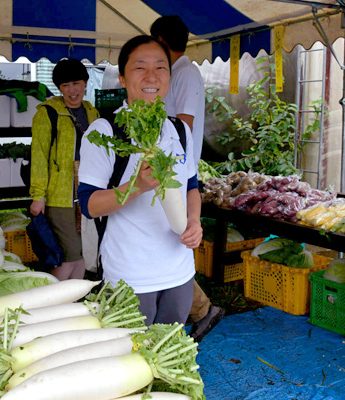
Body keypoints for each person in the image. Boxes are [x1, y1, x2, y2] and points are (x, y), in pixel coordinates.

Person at [77, 35, 203, 326]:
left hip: (179, 273)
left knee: (169, 354)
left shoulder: (180, 130)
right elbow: (89, 205)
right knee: (132, 359)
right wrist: (136, 187)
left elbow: (192, 187)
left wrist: (194, 221)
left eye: (161, 68)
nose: (151, 76)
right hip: (130, 275)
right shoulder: (105, 132)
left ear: (169, 77)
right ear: (122, 78)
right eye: (139, 68)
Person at [150, 15, 223, 342]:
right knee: (162, 245)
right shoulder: (173, 74)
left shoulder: (186, 74)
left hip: (177, 176)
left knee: (172, 246)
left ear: (163, 41)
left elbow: (184, 126)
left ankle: (203, 309)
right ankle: (196, 309)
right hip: (163, 174)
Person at [29, 58, 100, 281]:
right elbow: (39, 155)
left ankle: (72, 301)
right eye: (65, 85)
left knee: (80, 254)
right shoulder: (47, 113)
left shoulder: (92, 113)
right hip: (59, 196)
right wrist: (38, 195)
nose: (72, 90)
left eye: (76, 83)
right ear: (59, 88)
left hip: (86, 191)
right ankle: (51, 300)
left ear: (86, 83)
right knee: (69, 255)